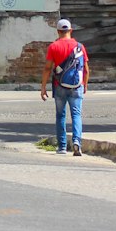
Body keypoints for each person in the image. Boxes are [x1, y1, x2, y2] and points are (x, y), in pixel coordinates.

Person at [41, 17, 90, 155]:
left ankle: (62, 147)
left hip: (59, 85)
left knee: (60, 116)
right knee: (76, 115)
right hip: (76, 85)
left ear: (58, 31)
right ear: (71, 30)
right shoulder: (80, 47)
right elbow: (86, 68)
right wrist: (84, 84)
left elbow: (47, 68)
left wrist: (43, 87)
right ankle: (76, 142)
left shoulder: (53, 47)